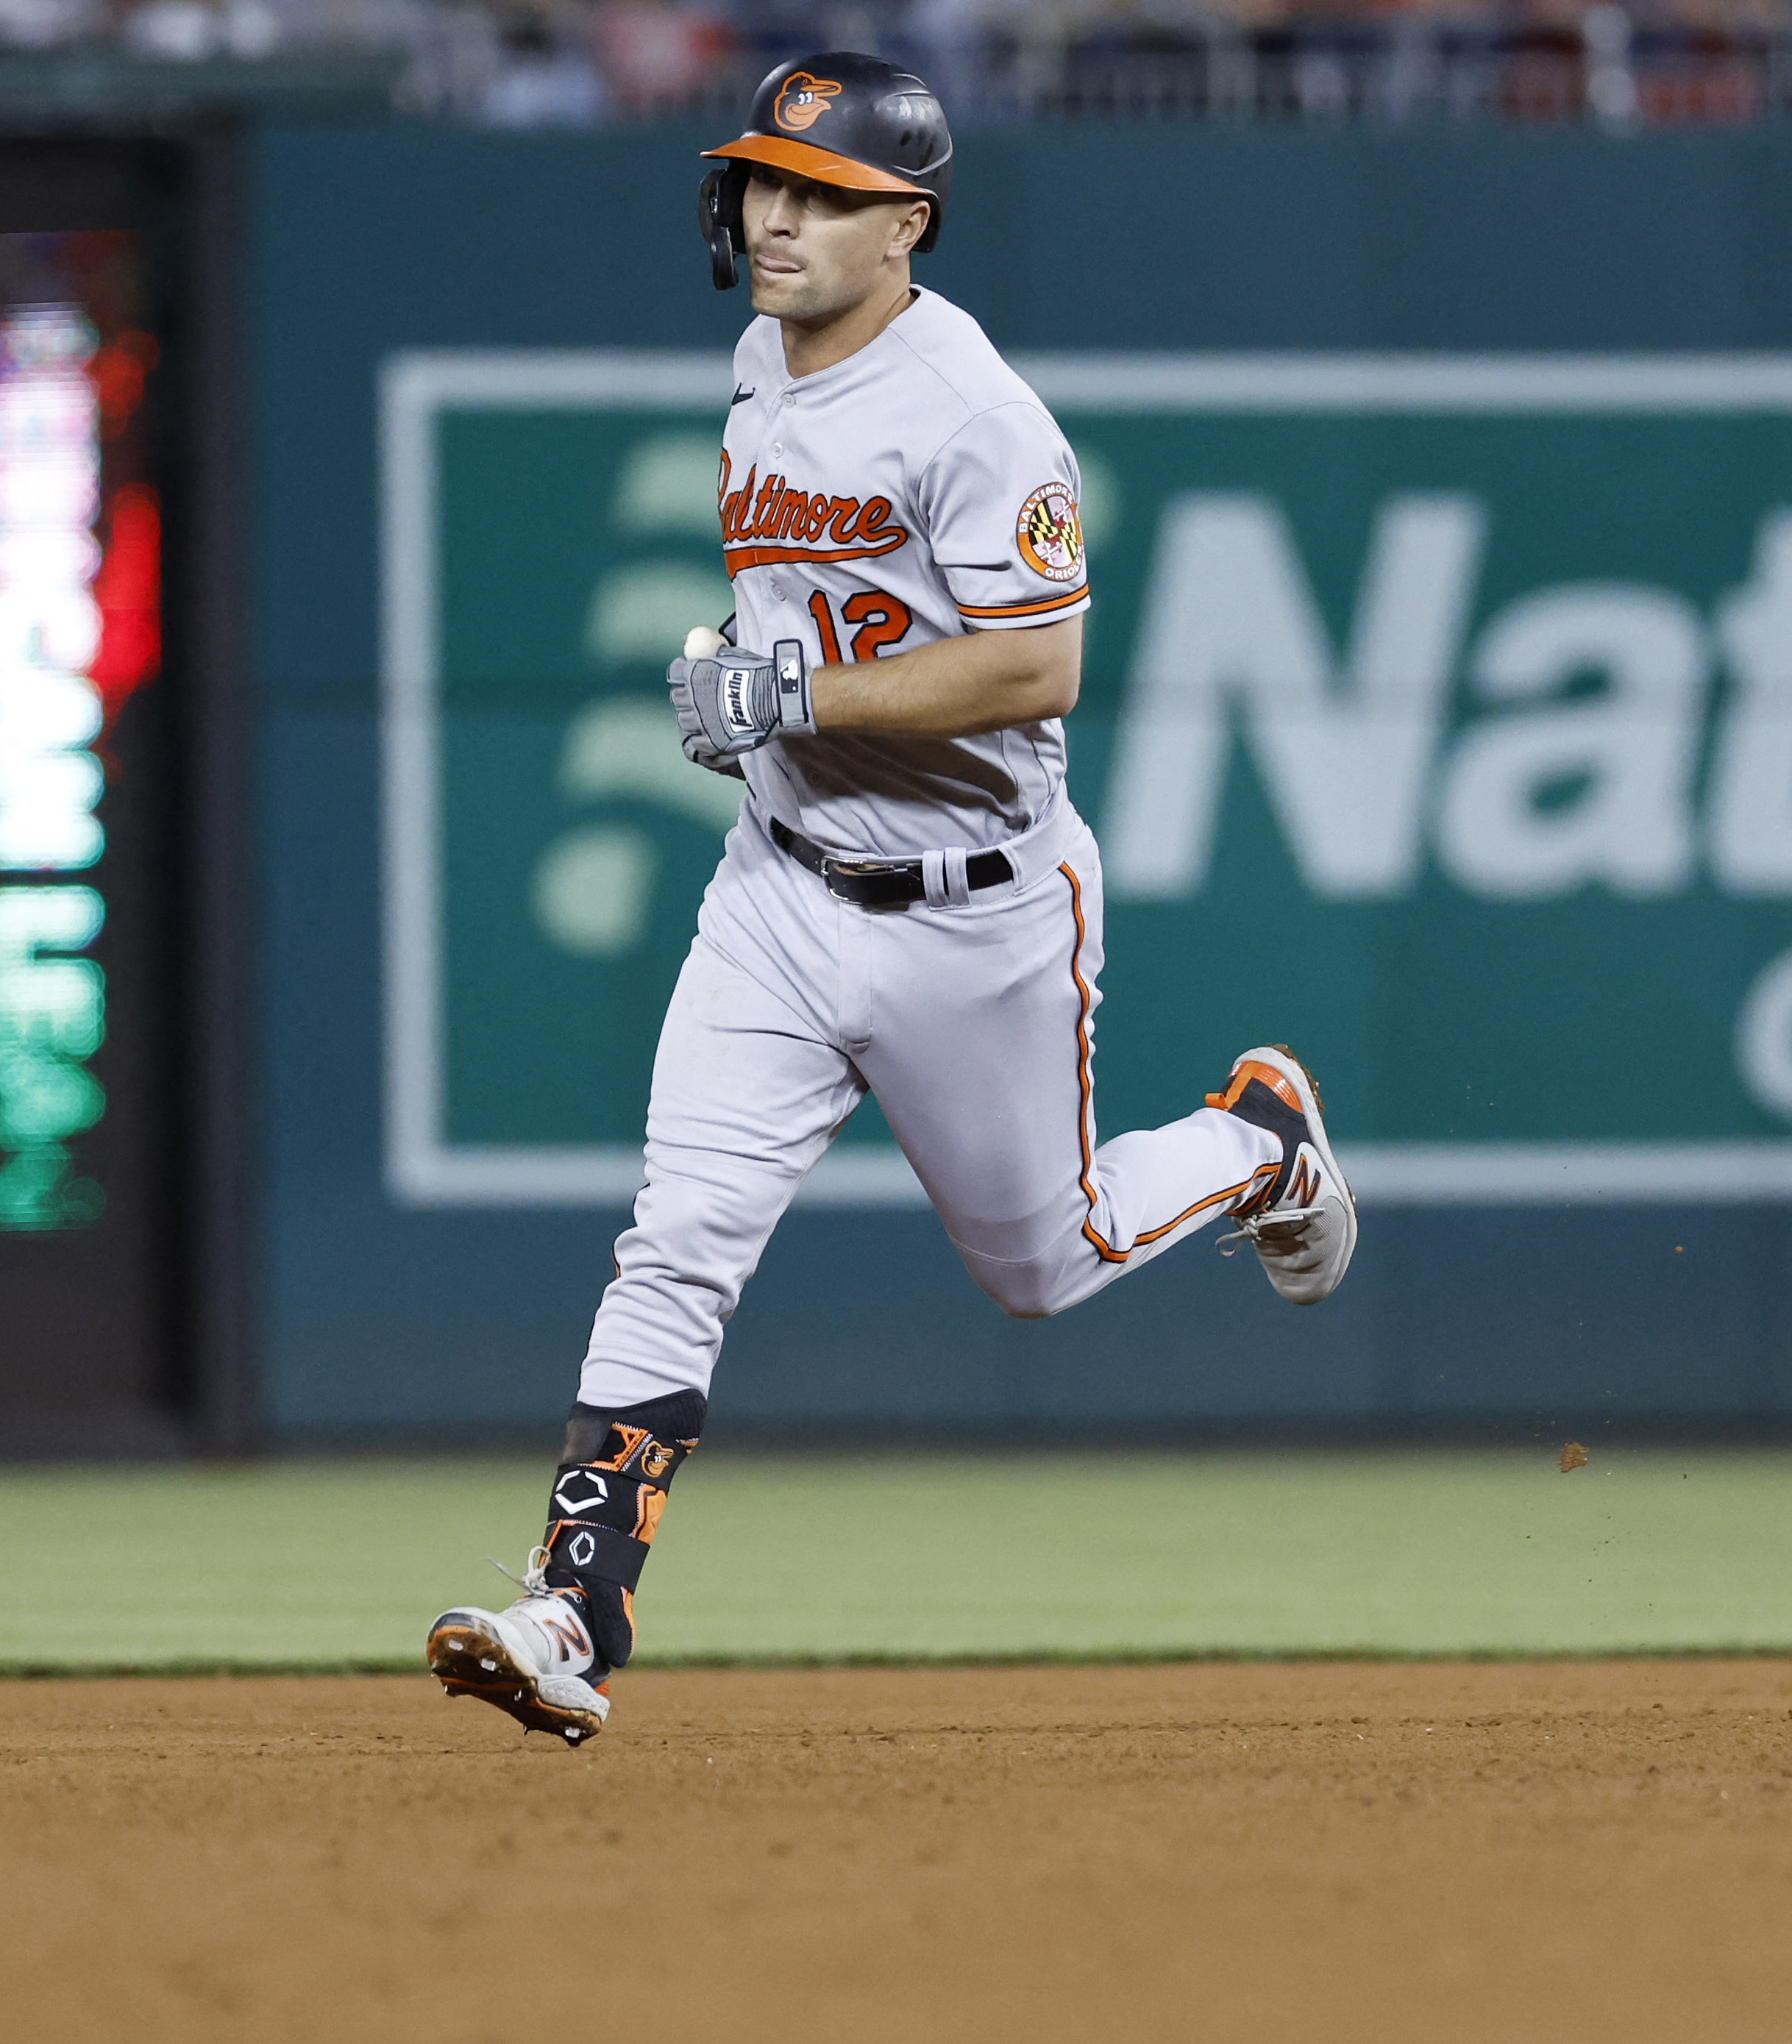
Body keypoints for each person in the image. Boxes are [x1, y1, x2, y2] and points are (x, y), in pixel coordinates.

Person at [424, 51, 1357, 1748]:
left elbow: (1038, 660)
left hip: (978, 909)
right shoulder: (762, 356)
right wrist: (775, 698)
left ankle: (1258, 1146)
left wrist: (787, 697)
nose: (776, 218)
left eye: (822, 195)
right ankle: (572, 1611)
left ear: (906, 224)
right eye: (765, 182)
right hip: (779, 889)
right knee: (679, 1239)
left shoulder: (977, 414)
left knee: (1045, 1267)